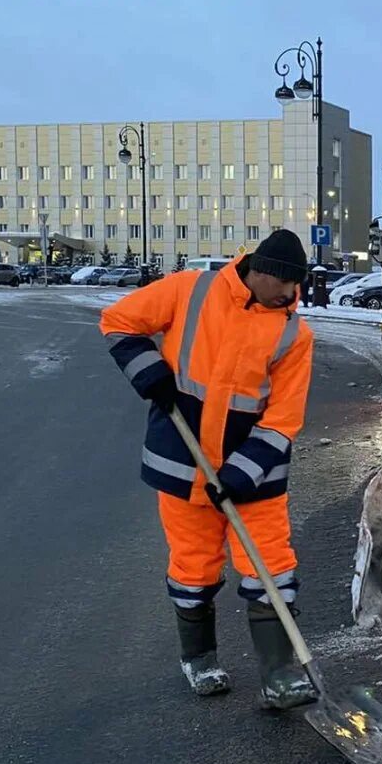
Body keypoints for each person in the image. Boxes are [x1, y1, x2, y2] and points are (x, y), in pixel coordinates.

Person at [100, 229, 316, 709]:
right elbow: (118, 321)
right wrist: (148, 369)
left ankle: (281, 673)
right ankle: (199, 659)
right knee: (193, 567)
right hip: (182, 461)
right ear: (260, 273)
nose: (292, 296)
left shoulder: (293, 333)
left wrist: (243, 473)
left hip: (254, 479)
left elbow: (283, 418)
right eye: (285, 287)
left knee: (272, 566)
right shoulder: (191, 289)